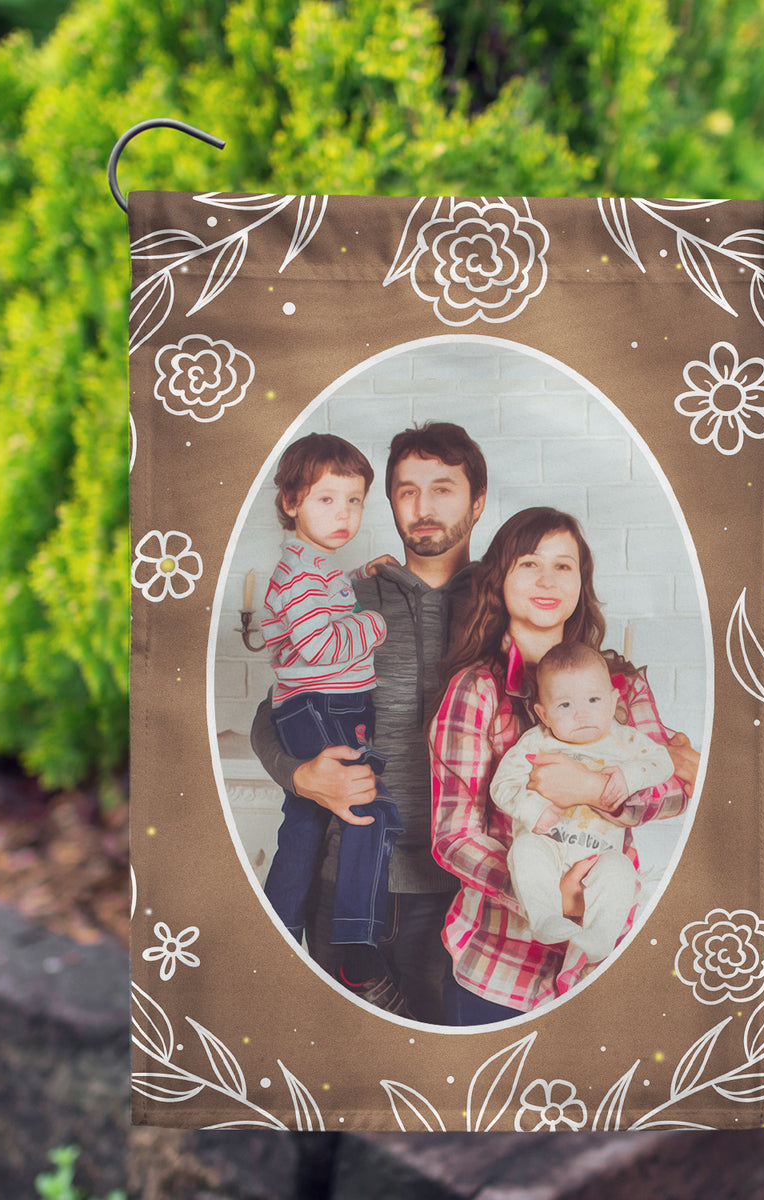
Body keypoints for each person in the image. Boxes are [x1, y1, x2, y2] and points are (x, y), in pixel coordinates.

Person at [252, 422, 487, 1022]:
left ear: (477, 502)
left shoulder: (505, 601)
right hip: (347, 887)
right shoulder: (349, 595)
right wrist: (300, 776)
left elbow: (571, 698)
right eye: (407, 490)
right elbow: (272, 712)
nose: (424, 506)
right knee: (341, 1077)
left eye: (443, 488)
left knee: (446, 1088)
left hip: (463, 894)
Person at [430, 507, 698, 1026]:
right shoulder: (476, 689)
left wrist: (596, 789)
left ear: (582, 580)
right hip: (498, 963)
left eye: (564, 566)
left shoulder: (619, 685)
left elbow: (672, 786)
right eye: (529, 564)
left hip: (606, 955)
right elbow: (453, 835)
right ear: (499, 579)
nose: (548, 580)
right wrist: (547, 891)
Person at [257, 433, 402, 998]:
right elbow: (320, 644)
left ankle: (278, 928)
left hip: (322, 705)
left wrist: (361, 579)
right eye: (326, 499)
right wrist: (376, 622)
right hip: (320, 707)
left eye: (355, 500)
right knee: (368, 811)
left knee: (306, 822)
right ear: (292, 502)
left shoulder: (317, 568)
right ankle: (356, 948)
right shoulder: (300, 574)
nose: (343, 513)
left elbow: (326, 603)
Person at [490, 640, 679, 963]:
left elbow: (664, 764)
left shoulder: (625, 740)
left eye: (594, 699)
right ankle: (545, 918)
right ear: (543, 714)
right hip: (548, 847)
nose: (582, 713)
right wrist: (533, 810)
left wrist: (630, 776)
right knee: (524, 852)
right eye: (565, 705)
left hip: (600, 856)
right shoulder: (536, 742)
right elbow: (502, 785)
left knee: (620, 871)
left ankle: (599, 937)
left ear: (613, 700)